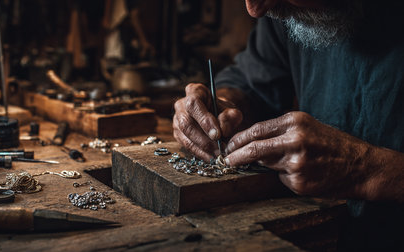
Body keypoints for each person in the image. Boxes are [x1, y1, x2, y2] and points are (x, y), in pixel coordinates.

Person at [173, 0, 404, 250]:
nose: (255, 10)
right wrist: (224, 104)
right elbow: (253, 82)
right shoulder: (283, 7)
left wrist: (369, 169)